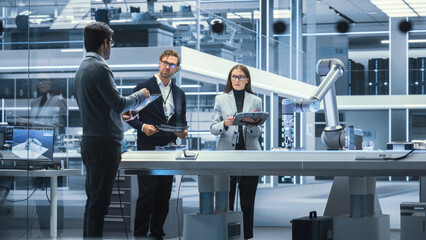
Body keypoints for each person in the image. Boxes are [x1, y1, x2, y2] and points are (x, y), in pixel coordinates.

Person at [74, 21, 149, 238]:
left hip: (91, 142)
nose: (111, 47)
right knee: (99, 204)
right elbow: (117, 103)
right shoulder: (99, 68)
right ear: (105, 42)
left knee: (93, 202)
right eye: (111, 42)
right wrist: (141, 96)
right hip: (103, 145)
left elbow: (99, 107)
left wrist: (119, 116)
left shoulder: (82, 68)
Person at [127, 49, 187, 240]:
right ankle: (140, 234)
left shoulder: (179, 93)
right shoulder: (144, 87)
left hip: (169, 150)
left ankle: (157, 233)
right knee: (147, 193)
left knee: (164, 195)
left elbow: (181, 121)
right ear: (159, 63)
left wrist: (182, 132)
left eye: (172, 64)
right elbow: (128, 116)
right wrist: (142, 126)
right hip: (148, 148)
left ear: (177, 69)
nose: (167, 67)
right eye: (164, 62)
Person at [210, 64, 263, 240]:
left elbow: (258, 133)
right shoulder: (221, 99)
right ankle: (225, 234)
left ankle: (247, 235)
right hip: (227, 155)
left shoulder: (256, 100)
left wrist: (252, 125)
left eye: (241, 77)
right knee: (226, 200)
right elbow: (213, 128)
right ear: (230, 79)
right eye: (234, 77)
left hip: (250, 154)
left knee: (248, 201)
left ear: (247, 79)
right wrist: (225, 124)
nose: (237, 80)